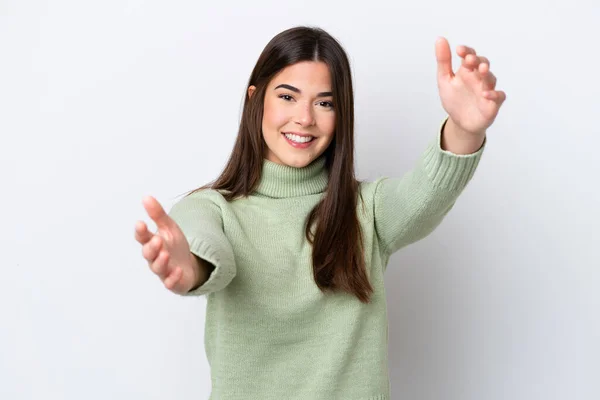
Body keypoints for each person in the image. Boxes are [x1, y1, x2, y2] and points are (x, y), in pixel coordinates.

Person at [134, 26, 505, 400]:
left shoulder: (367, 211)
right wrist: (190, 267)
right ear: (255, 99)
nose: (305, 118)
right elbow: (208, 252)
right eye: (287, 97)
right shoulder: (212, 209)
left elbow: (426, 192)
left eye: (324, 103)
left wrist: (463, 129)